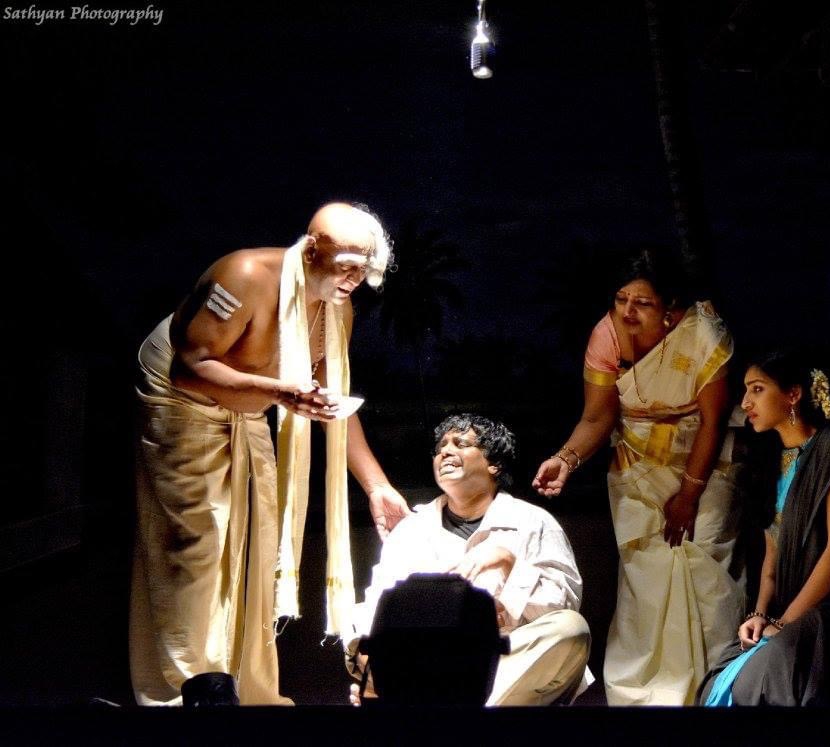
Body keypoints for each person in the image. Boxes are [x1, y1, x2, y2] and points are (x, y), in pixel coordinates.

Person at [130, 202, 411, 705]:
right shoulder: (242, 275)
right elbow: (190, 368)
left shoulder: (338, 308)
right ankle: (190, 692)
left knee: (260, 544)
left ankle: (249, 690)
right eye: (347, 265)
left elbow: (333, 399)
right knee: (197, 543)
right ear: (312, 248)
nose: (355, 279)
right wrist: (280, 393)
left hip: (252, 402)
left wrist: (377, 487)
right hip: (181, 399)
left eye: (364, 269)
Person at [532, 248, 744, 706]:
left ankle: (713, 691)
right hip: (637, 467)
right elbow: (597, 417)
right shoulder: (606, 336)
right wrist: (566, 459)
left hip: (705, 465)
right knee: (645, 582)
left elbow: (713, 422)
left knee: (703, 568)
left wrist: (689, 496)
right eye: (621, 299)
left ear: (670, 307)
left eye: (642, 303)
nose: (628, 311)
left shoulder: (703, 335)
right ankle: (644, 697)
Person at [346, 413, 592, 706]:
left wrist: (510, 565)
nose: (445, 452)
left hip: (506, 661)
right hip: (425, 664)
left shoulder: (533, 521)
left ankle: (440, 710)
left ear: (493, 464)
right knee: (355, 623)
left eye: (460, 444)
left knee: (571, 629)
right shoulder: (411, 529)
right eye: (440, 447)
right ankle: (438, 704)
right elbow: (378, 608)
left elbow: (563, 605)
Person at [697, 351, 830, 706]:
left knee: (760, 679)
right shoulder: (772, 462)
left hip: (829, 611)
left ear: (793, 394)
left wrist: (785, 623)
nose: (746, 402)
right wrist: (759, 616)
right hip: (787, 611)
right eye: (746, 390)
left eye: (757, 389)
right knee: (719, 680)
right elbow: (771, 560)